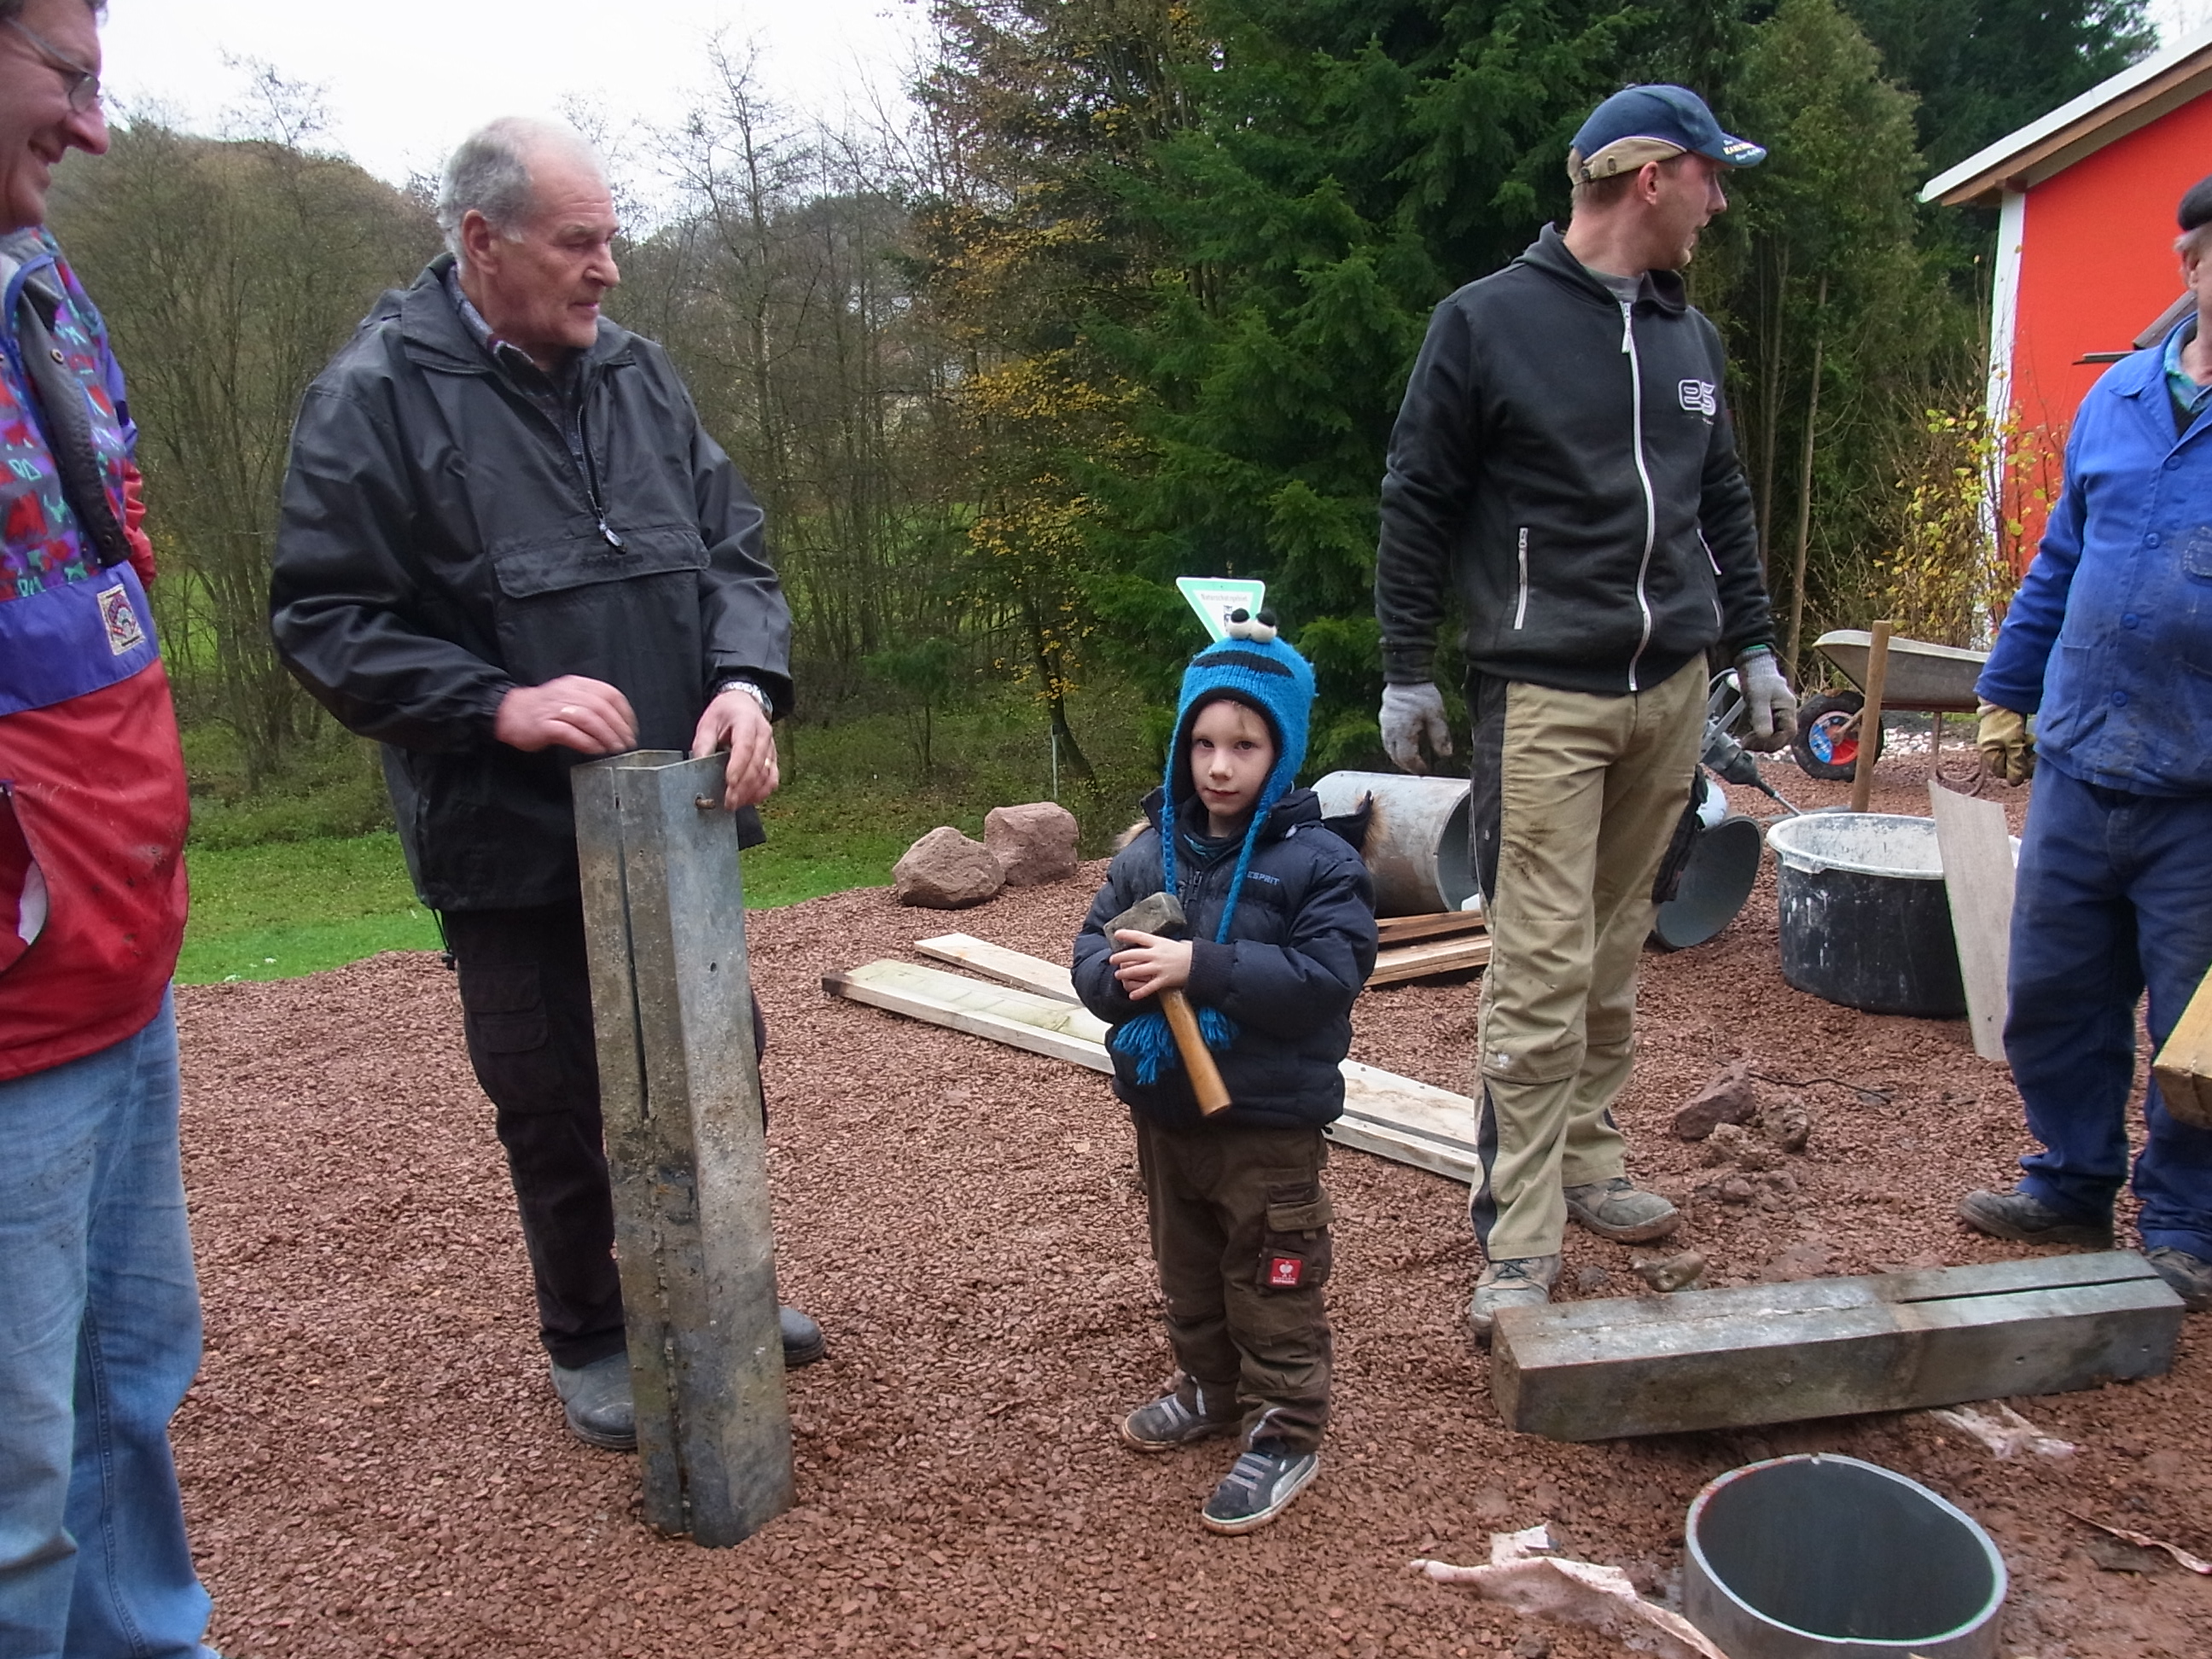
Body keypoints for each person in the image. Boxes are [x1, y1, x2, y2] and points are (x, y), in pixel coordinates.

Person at [269, 117, 823, 1455]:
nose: (608, 269)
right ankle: (591, 1332)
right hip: (508, 832)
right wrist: (495, 704)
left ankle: (721, 1282)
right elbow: (325, 618)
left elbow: (736, 554)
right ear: (483, 242)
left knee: (719, 1061)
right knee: (555, 1088)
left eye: (610, 239)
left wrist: (747, 682)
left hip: (676, 821)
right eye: (580, 242)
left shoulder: (638, 375)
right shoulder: (377, 396)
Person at [1371, 84, 1795, 1339]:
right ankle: (1517, 1232)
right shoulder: (1485, 323)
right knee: (1541, 959)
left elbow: (1723, 503)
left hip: (1670, 692)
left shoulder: (1687, 337)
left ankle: (1592, 1154)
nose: (1720, 204)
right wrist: (1406, 667)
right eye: (1712, 177)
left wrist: (1756, 647)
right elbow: (1417, 497)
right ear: (1653, 176)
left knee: (1619, 939)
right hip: (1545, 693)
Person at [0, 1, 226, 1654]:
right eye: (67, 79)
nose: (93, 128)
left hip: (112, 951)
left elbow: (115, 560)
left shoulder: (44, 287)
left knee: (124, 1389)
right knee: (12, 1485)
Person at [1958, 174, 2212, 1312]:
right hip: (2080, 761)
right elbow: (2062, 559)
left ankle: (2188, 1223)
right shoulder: (2120, 397)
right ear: (2192, 265)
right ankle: (2070, 1181)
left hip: (2199, 787)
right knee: (2055, 994)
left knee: (2196, 1028)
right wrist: (2008, 691)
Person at [1072, 613, 1377, 1534]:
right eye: (1203, 743)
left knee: (1272, 1277)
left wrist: (1197, 966)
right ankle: (1210, 1387)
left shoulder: (1319, 862)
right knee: (1190, 1269)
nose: (1218, 766)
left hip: (1267, 1126)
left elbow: (1326, 980)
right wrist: (1124, 978)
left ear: (1281, 752)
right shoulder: (1148, 852)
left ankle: (1284, 1429)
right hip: (1169, 1116)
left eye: (1244, 745)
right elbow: (1090, 954)